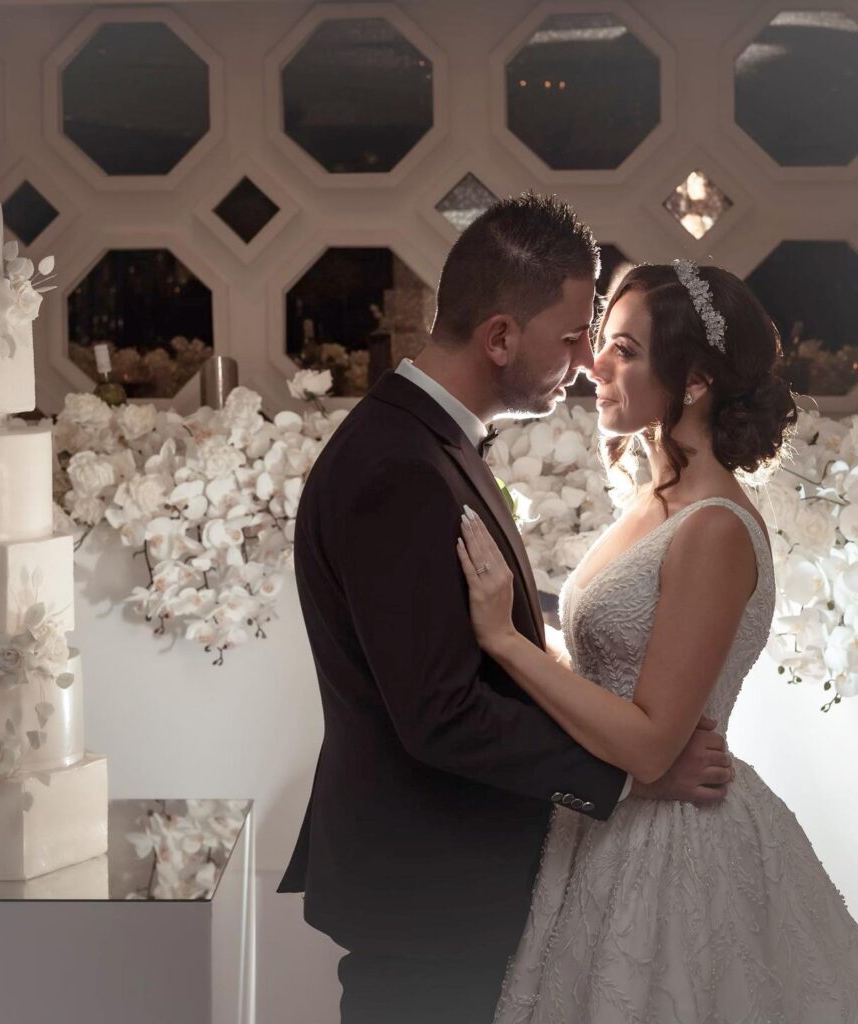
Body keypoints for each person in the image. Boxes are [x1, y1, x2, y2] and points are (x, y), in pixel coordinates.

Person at [278, 195, 733, 1024]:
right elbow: (441, 714)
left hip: (445, 882)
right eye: (569, 339)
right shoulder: (401, 470)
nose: (584, 362)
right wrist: (634, 775)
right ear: (498, 337)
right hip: (431, 894)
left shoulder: (427, 443)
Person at [457, 261, 858, 1022]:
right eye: (604, 343)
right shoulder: (652, 498)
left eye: (627, 351)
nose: (594, 365)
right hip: (602, 826)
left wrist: (506, 643)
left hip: (674, 846)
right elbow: (610, 674)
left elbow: (650, 747)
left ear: (696, 380)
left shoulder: (713, 528)